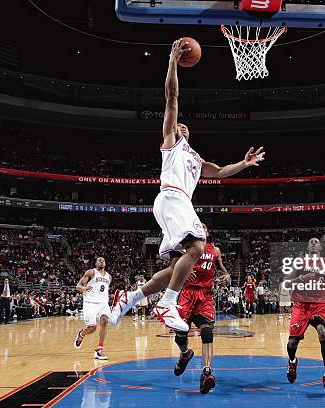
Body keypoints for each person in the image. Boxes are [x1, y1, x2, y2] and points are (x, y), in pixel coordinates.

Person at [110, 39, 265, 332]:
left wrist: (244, 164)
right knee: (198, 245)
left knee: (174, 270)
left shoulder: (194, 157)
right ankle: (167, 303)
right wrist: (172, 62)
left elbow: (219, 172)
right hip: (171, 197)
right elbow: (171, 100)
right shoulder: (171, 142)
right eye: (178, 124)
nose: (181, 127)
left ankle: (128, 299)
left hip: (176, 202)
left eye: (185, 127)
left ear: (190, 134)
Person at [172, 224, 230, 394]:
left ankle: (206, 372)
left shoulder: (215, 250)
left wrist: (226, 275)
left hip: (205, 295)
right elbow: (173, 266)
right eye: (198, 228)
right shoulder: (186, 247)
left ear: (207, 232)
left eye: (203, 228)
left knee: (207, 333)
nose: (201, 230)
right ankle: (185, 354)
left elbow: (222, 269)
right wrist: (181, 271)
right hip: (187, 293)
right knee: (180, 335)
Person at [285, 238, 325, 392]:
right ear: (307, 246)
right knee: (292, 343)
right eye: (311, 241)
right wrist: (300, 278)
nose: (313, 243)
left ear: (321, 246)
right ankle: (292, 361)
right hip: (301, 305)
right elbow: (287, 282)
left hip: (320, 305)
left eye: (316, 241)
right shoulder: (298, 262)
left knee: (323, 334)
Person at [73, 257, 111, 360]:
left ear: (105, 263)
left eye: (103, 260)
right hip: (90, 303)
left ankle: (99, 350)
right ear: (96, 263)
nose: (101, 261)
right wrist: (84, 288)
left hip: (103, 303)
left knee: (105, 321)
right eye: (99, 260)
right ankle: (81, 334)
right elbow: (78, 286)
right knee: (92, 328)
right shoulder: (91, 272)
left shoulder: (109, 277)